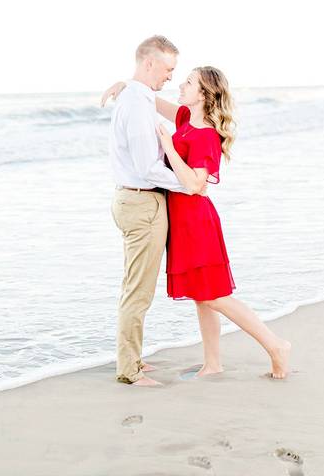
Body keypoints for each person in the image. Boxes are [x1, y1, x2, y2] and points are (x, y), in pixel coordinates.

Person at [103, 66, 292, 380]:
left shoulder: (205, 136)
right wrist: (127, 85)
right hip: (181, 219)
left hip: (195, 220)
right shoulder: (183, 120)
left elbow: (193, 182)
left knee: (215, 295)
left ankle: (275, 345)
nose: (180, 84)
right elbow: (148, 99)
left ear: (203, 94)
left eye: (188, 82)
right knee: (202, 297)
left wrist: (167, 147)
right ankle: (213, 362)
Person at [102, 35, 205, 387]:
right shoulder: (135, 102)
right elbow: (147, 167)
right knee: (138, 290)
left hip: (143, 200)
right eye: (167, 69)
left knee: (138, 286)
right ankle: (128, 370)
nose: (170, 78)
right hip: (141, 200)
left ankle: (134, 359)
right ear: (149, 64)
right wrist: (188, 183)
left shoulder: (140, 96)